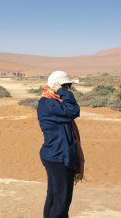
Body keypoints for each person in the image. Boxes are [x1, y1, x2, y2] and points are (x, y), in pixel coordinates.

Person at [37, 71, 85, 218]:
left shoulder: (51, 102)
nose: (67, 90)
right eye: (65, 87)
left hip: (54, 155)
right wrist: (62, 91)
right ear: (57, 86)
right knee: (61, 202)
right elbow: (74, 110)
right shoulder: (49, 103)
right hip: (59, 156)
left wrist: (61, 92)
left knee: (53, 196)